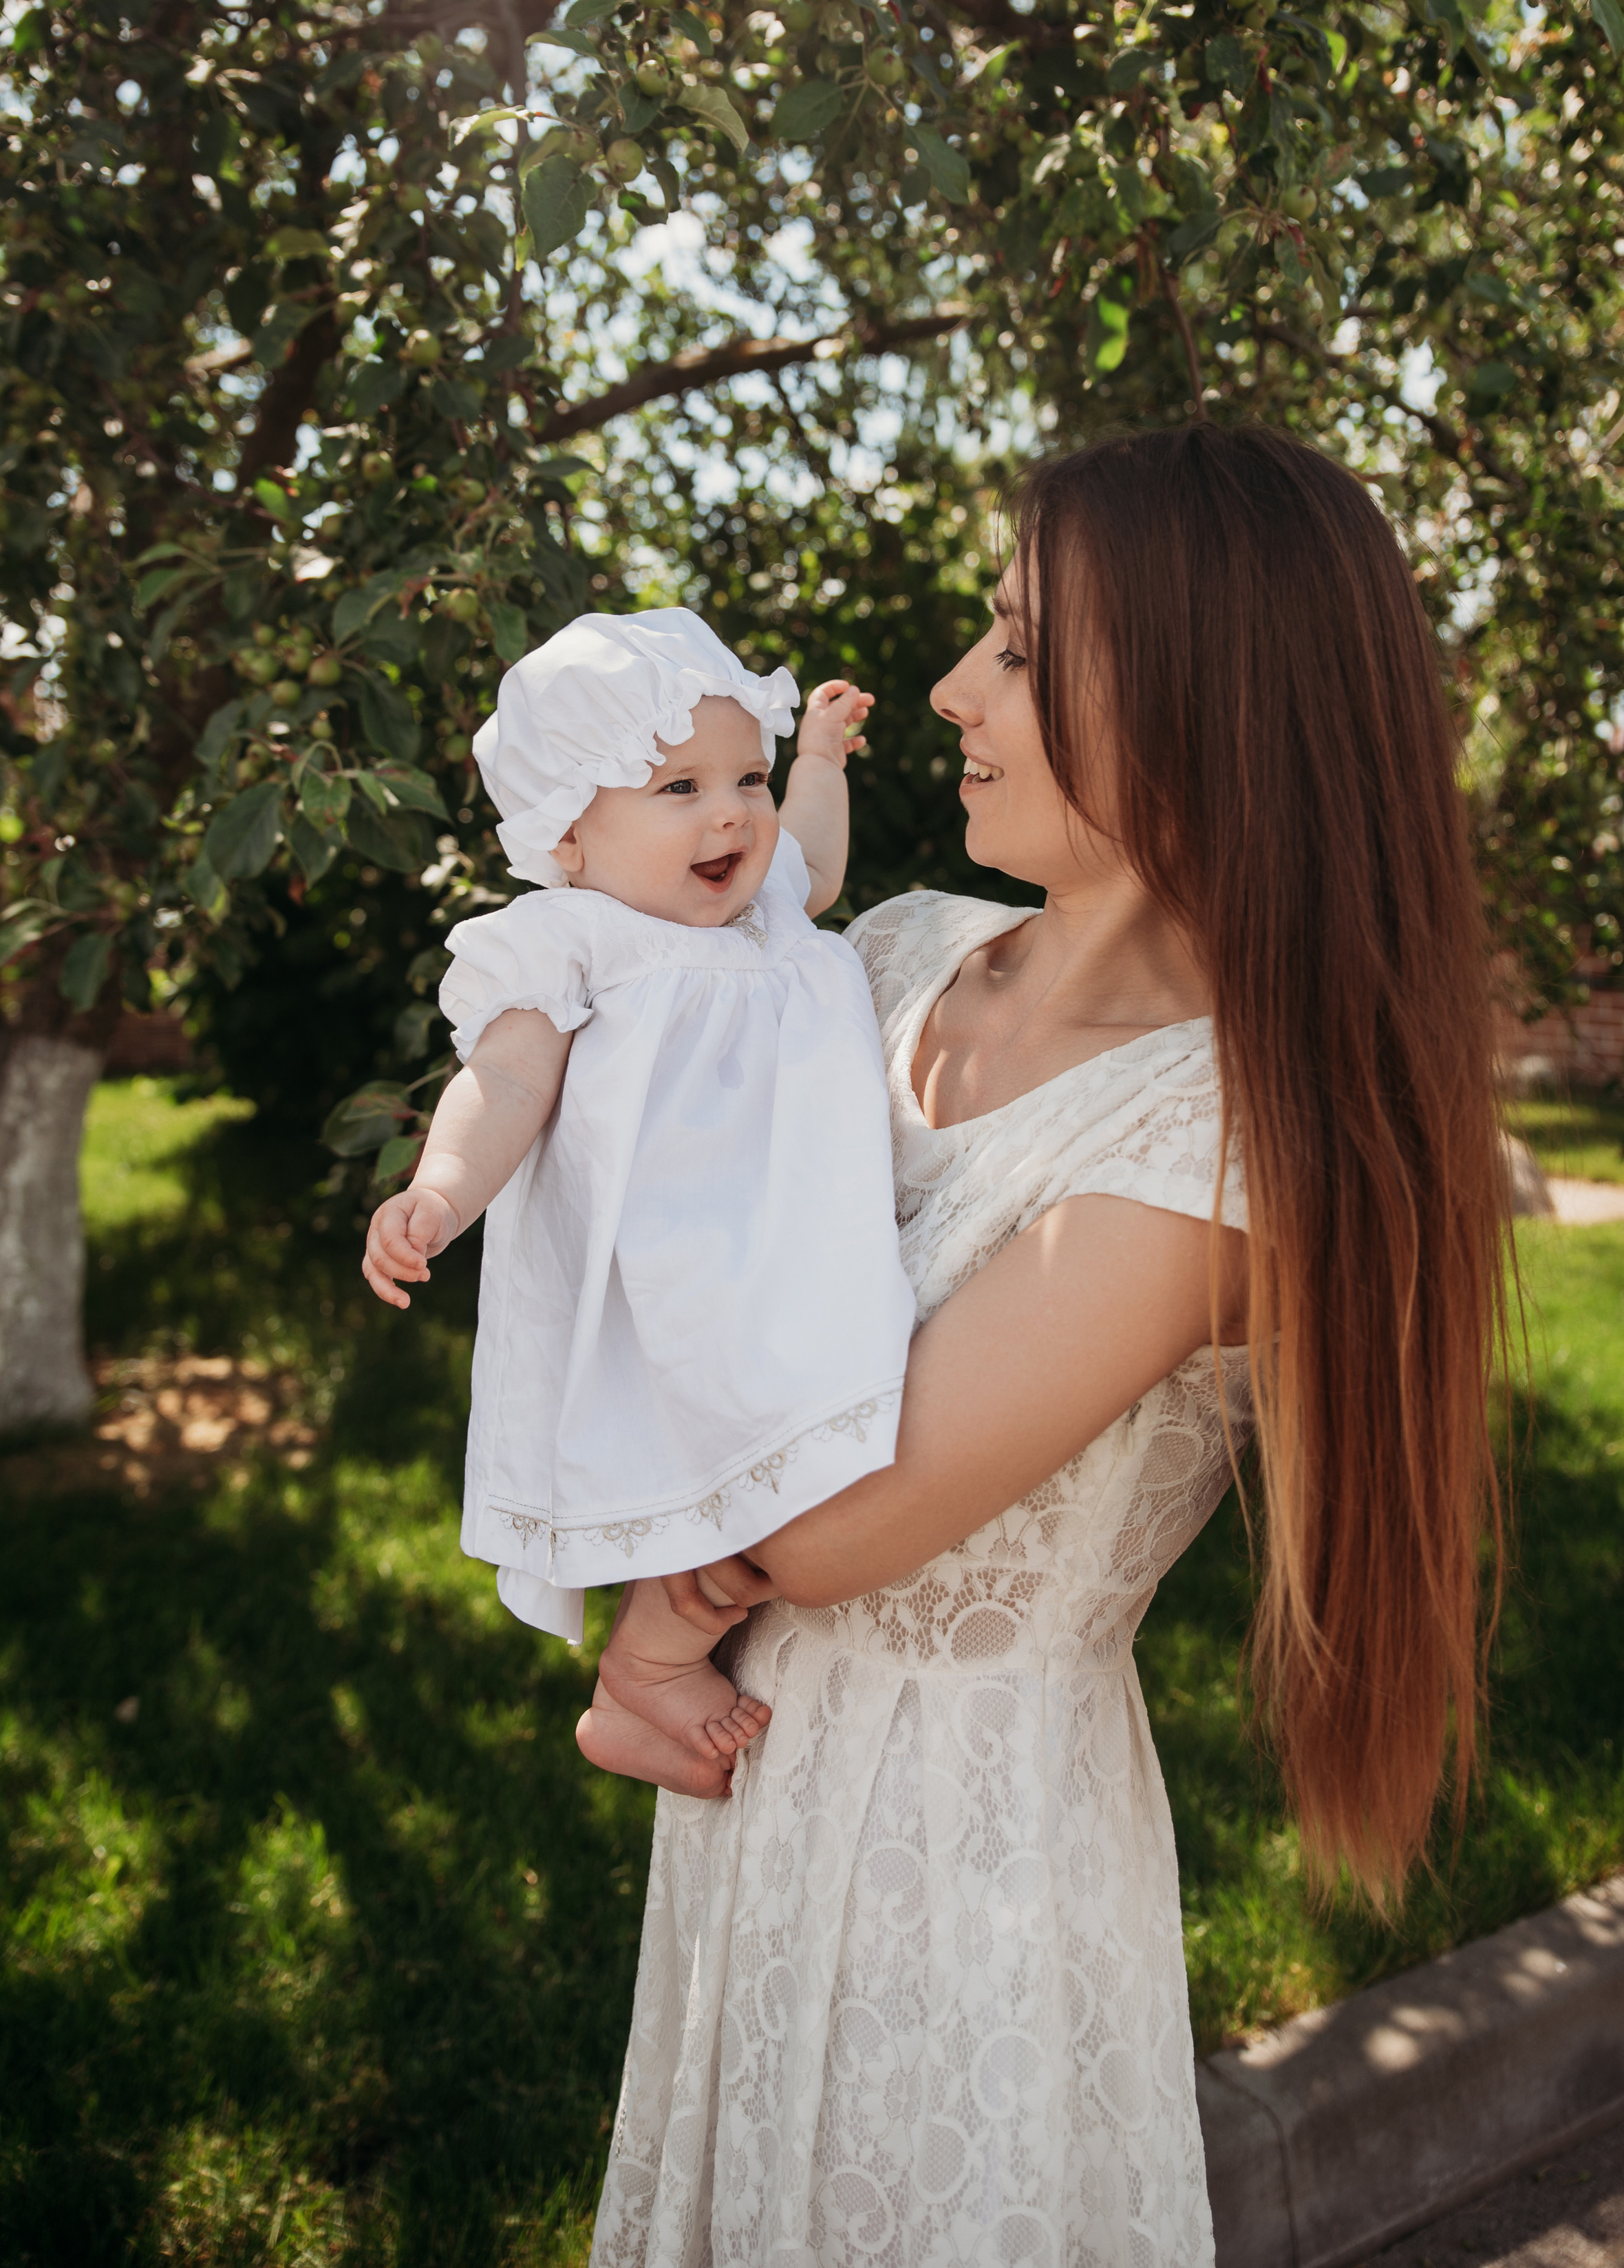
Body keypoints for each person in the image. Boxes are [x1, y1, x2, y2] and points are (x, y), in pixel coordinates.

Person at [590, 425, 1508, 2268]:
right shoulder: (896, 953)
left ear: (1201, 703)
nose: (951, 688)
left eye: (1017, 644)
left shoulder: (1219, 1144)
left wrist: (644, 1595)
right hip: (758, 1799)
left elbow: (842, 1511)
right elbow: (638, 1199)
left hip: (962, 1866)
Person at [362, 608, 917, 1796]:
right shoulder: (574, 941)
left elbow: (813, 860)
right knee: (728, 1461)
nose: (731, 813)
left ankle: (661, 1662)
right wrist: (438, 1193)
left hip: (797, 1239)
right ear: (568, 831)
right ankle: (646, 1672)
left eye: (746, 779)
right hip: (675, 1265)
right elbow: (503, 1079)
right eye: (679, 787)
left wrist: (813, 762)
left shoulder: (768, 906)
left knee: (818, 1444)